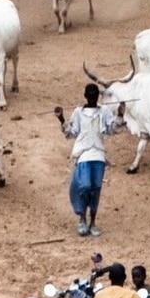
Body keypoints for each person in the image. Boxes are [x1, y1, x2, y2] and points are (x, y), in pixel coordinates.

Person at [55, 84, 122, 237]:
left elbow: (112, 129)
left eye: (94, 95)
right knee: (85, 186)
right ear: (85, 96)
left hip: (98, 154)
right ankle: (82, 219)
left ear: (97, 97)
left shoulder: (104, 111)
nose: (92, 98)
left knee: (96, 188)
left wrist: (120, 115)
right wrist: (61, 118)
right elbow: (70, 133)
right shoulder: (78, 113)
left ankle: (92, 222)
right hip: (83, 155)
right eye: (90, 95)